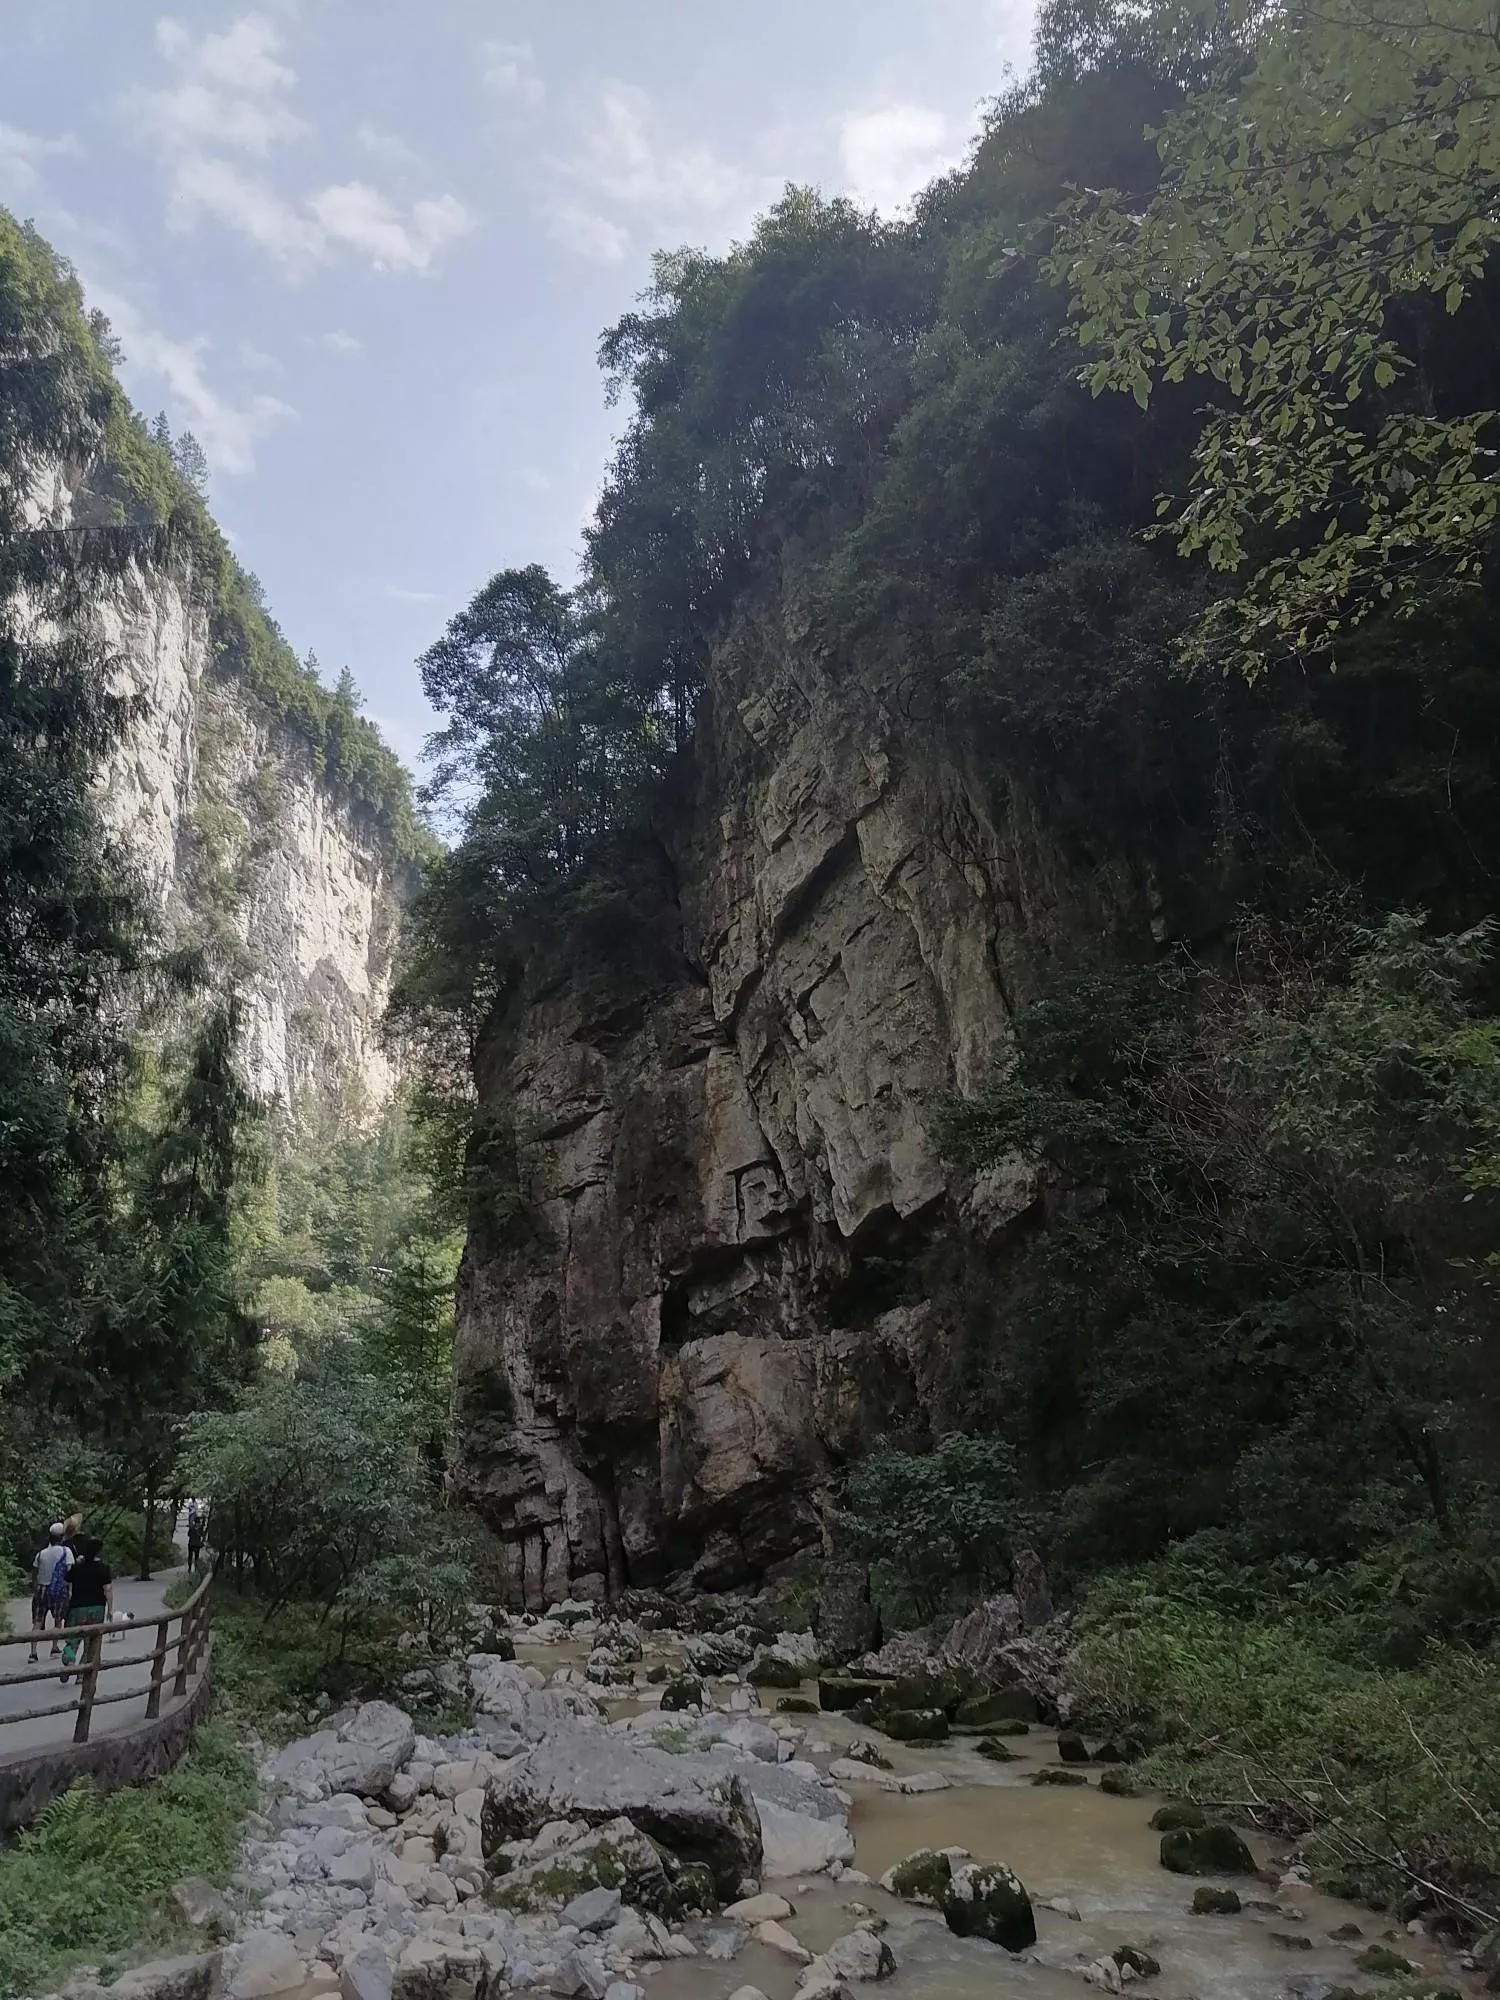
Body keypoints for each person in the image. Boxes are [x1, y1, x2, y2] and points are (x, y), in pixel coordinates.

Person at [59, 1536, 113, 1680]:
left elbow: (65, 1581)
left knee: (72, 1639)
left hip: (77, 1607)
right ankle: (82, 1674)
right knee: (91, 1642)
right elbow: (107, 1589)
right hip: (97, 1608)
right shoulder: (104, 1568)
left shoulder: (78, 1567)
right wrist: (111, 1609)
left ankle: (70, 1661)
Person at [28, 1524, 72, 1663]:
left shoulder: (41, 1554)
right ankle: (54, 1647)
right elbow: (69, 1572)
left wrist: (36, 1587)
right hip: (59, 1589)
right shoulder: (66, 1551)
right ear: (61, 1537)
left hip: (42, 1589)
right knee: (58, 1620)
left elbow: (34, 1572)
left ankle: (33, 1652)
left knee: (37, 1621)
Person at [186, 1497, 203, 1575]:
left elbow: (188, 1534)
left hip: (191, 1543)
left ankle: (189, 1568)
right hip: (197, 1544)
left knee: (190, 1556)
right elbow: (202, 1535)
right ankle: (196, 1568)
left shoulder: (192, 1528)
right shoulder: (200, 1529)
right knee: (196, 1557)